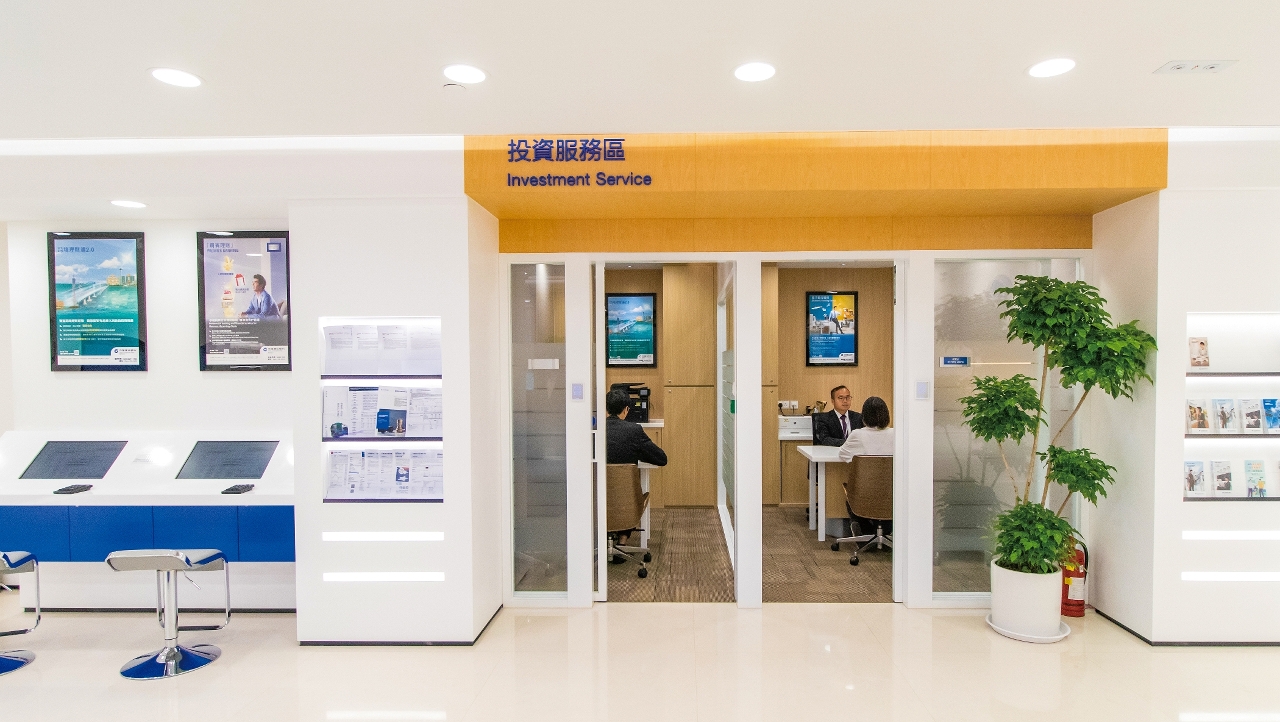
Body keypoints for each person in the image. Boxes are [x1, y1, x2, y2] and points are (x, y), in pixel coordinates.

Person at [605, 389, 667, 467]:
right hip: (627, 475)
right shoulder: (634, 430)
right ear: (626, 409)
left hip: (600, 475)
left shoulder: (597, 430)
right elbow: (661, 459)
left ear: (607, 409)